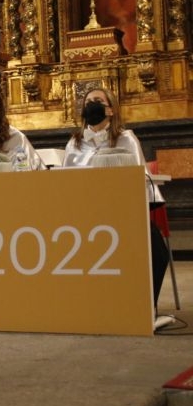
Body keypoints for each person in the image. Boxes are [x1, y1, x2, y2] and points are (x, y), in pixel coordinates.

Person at [63, 87, 169, 309]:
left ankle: (145, 307)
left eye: (98, 101)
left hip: (124, 212)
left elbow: (141, 177)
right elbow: (66, 182)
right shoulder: (74, 143)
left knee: (158, 252)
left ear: (110, 110)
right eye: (89, 101)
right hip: (85, 216)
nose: (92, 104)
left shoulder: (126, 139)